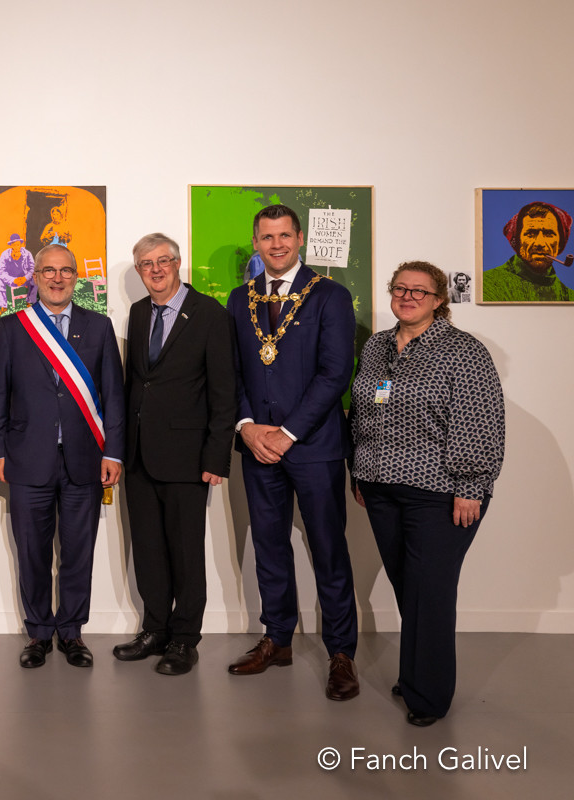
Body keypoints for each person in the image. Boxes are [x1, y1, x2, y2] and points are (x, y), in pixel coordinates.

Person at [350, 261, 504, 727]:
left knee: (430, 592)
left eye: (420, 290)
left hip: (440, 492)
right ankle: (418, 673)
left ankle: (429, 695)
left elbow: (479, 423)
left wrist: (471, 486)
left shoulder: (464, 352)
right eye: (400, 288)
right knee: (408, 586)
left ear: (439, 300)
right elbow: (362, 410)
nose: (408, 296)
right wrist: (359, 472)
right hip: (379, 487)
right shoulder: (377, 346)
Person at [224, 204, 360, 701]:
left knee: (329, 550)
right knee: (270, 547)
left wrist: (288, 433)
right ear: (256, 242)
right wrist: (247, 427)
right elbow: (232, 372)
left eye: (284, 235)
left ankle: (341, 653)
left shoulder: (330, 296)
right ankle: (277, 638)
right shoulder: (240, 300)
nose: (276, 244)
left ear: (299, 238)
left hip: (315, 448)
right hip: (258, 447)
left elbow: (334, 375)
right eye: (266, 237)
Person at [0, 244, 124, 669]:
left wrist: (114, 453)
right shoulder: (12, 328)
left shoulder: (98, 326)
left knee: (78, 551)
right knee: (31, 550)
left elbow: (113, 398)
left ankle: (71, 632)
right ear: (36, 276)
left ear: (76, 278)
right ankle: (38, 633)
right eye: (48, 270)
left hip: (85, 459)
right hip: (27, 458)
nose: (57, 278)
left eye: (66, 271)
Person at [113, 234, 235, 675]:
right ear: (140, 271)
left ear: (178, 263)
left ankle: (185, 638)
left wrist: (215, 457)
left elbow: (224, 392)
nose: (156, 269)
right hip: (140, 455)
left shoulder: (210, 314)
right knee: (147, 548)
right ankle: (155, 629)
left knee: (185, 552)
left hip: (188, 457)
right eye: (147, 264)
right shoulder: (139, 311)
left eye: (163, 261)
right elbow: (136, 384)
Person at [481, 201, 574, 302]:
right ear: (517, 241)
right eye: (531, 234)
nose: (540, 243)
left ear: (560, 243)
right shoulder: (486, 284)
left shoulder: (569, 297)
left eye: (548, 234)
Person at [0, 233, 36, 314]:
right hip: (11, 279)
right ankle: (3, 307)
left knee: (34, 280)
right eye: (14, 245)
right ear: (11, 245)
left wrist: (25, 278)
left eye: (18, 244)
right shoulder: (5, 254)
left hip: (24, 278)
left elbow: (32, 268)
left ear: (20, 244)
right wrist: (13, 280)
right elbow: (1, 272)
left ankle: (30, 302)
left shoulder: (27, 254)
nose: (16, 247)